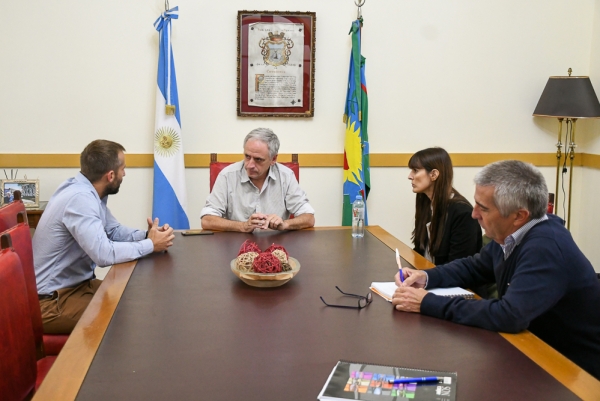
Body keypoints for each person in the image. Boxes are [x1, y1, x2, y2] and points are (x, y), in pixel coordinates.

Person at [392, 160, 600, 380]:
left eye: (483, 208)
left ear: (519, 215)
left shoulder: (546, 246)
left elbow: (509, 315)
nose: (474, 214)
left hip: (572, 371)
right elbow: (475, 266)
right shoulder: (514, 235)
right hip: (528, 350)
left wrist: (427, 302)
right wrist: (425, 277)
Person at [33, 139, 175, 334]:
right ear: (110, 175)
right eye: (123, 169)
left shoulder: (87, 191)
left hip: (76, 287)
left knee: (134, 298)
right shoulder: (80, 199)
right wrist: (150, 245)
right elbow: (103, 254)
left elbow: (113, 231)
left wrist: (147, 235)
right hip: (50, 302)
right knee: (127, 317)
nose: (124, 173)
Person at [200, 128, 315, 232]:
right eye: (247, 156)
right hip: (236, 246)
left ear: (273, 159)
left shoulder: (286, 176)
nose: (250, 165)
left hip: (276, 246)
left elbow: (309, 218)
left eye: (258, 159)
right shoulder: (227, 175)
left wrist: (285, 224)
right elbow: (207, 220)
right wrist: (242, 226)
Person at [408, 147, 481, 265]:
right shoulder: (425, 201)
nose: (410, 176)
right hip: (428, 276)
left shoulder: (462, 212)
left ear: (434, 174)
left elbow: (459, 267)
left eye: (415, 170)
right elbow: (420, 250)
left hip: (449, 281)